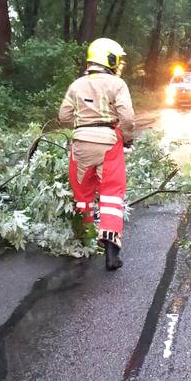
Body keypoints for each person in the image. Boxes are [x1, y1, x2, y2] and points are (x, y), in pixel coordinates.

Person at [58, 38, 135, 271]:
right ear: (109, 59)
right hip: (108, 142)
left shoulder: (76, 85)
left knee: (82, 194)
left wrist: (82, 122)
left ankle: (86, 241)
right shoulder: (117, 84)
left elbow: (63, 116)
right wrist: (127, 137)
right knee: (111, 194)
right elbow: (128, 118)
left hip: (80, 143)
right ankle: (112, 253)